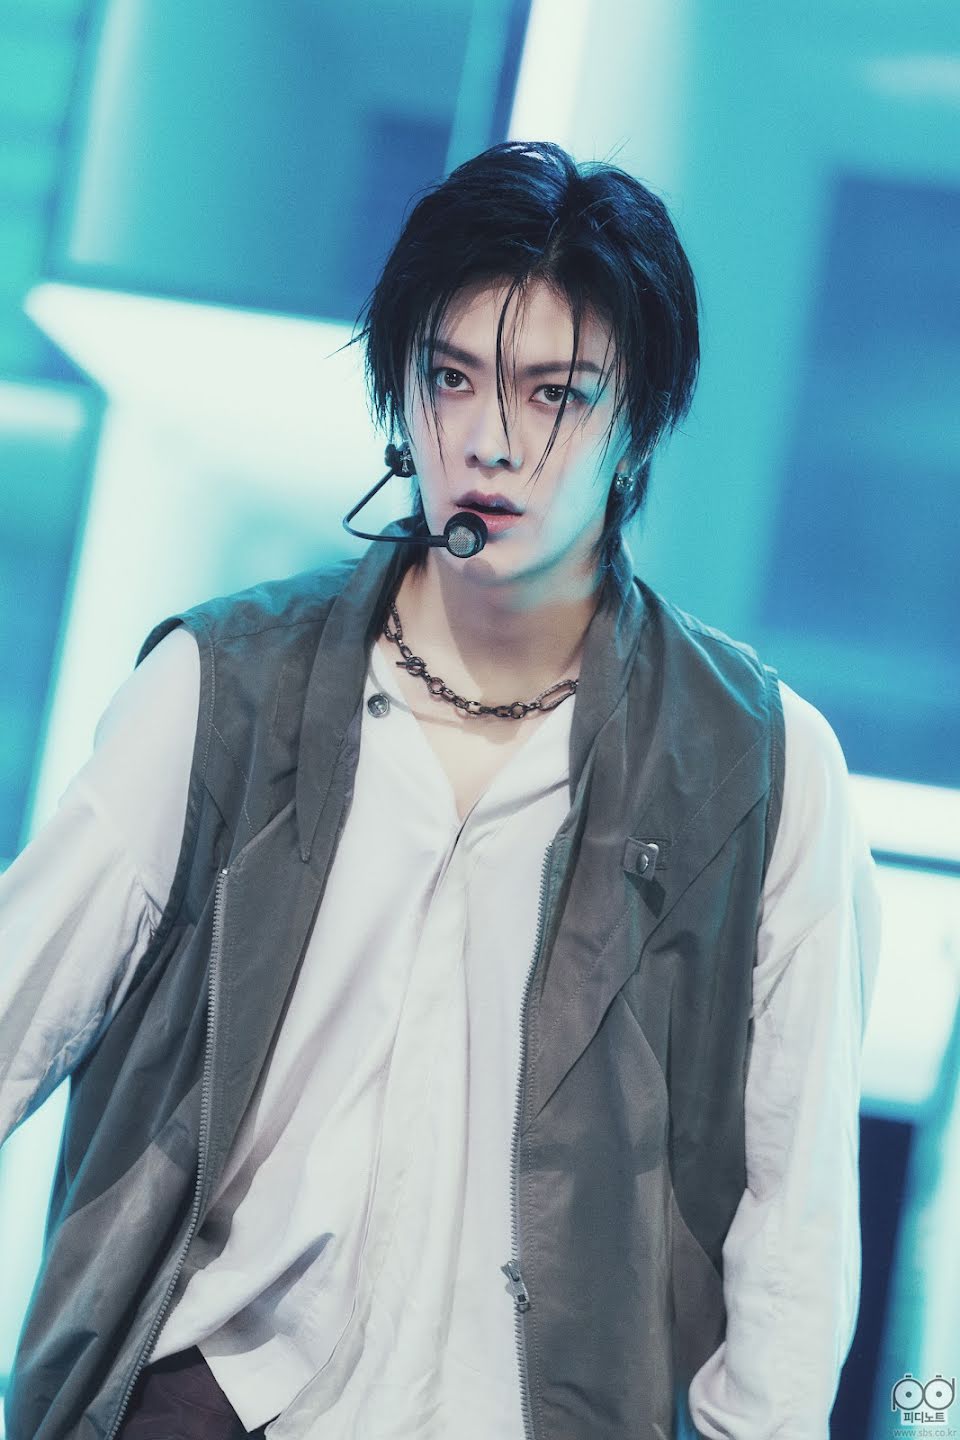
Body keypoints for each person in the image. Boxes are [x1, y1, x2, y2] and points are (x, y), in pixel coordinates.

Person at [0, 141, 880, 1439]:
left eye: (554, 394)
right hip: (202, 1400)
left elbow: (794, 1222)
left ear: (637, 425)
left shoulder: (763, 768)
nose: (487, 441)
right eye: (451, 377)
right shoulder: (222, 688)